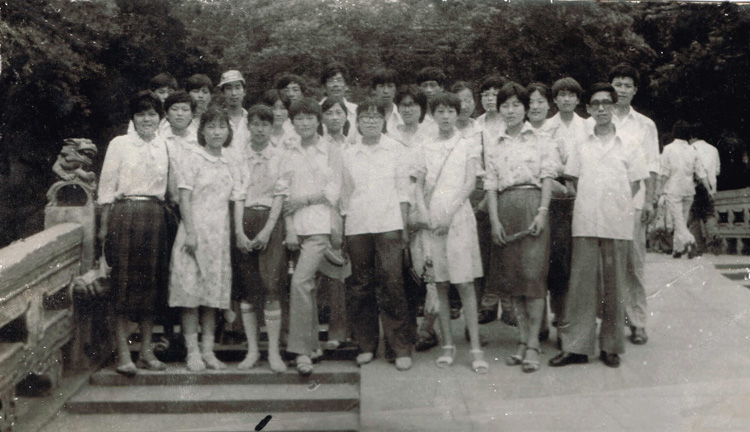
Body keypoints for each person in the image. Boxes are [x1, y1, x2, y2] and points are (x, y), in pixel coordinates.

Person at [549, 83, 649, 369]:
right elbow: (572, 180)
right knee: (581, 287)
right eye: (596, 104)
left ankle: (610, 347)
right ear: (589, 109)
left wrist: (617, 206)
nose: (602, 108)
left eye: (607, 103)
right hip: (585, 223)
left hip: (617, 224)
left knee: (614, 288)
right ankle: (577, 348)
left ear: (614, 107)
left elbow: (636, 182)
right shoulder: (582, 144)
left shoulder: (629, 143)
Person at [484, 82, 561, 373]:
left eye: (516, 105)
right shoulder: (495, 143)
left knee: (533, 276)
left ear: (526, 108)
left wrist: (542, 212)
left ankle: (533, 344)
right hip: (505, 208)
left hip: (532, 206)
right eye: (505, 105)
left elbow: (548, 178)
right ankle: (521, 340)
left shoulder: (542, 139)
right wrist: (494, 221)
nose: (511, 110)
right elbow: (491, 185)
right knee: (513, 279)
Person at [98, 91, 172, 376]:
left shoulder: (165, 145)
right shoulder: (120, 144)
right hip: (125, 215)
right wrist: (104, 229)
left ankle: (146, 352)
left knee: (151, 285)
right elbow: (107, 188)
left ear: (159, 118)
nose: (146, 119)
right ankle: (123, 353)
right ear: (132, 118)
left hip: (155, 215)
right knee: (123, 283)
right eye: (141, 114)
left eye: (152, 114)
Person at [412, 92, 486, 374]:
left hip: (458, 216)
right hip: (433, 218)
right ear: (433, 115)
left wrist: (449, 213)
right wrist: (425, 213)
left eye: (450, 111)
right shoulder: (424, 145)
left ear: (457, 114)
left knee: (464, 283)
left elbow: (469, 183)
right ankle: (447, 345)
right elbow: (418, 184)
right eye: (440, 111)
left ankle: (476, 348)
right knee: (440, 283)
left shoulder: (468, 143)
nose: (445, 116)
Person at [342, 99, 414, 371]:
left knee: (392, 282)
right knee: (361, 285)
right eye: (365, 117)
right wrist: (344, 228)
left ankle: (399, 347)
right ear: (357, 122)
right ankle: (366, 344)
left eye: (375, 117)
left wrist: (404, 228)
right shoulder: (349, 153)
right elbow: (345, 195)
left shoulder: (396, 149)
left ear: (384, 121)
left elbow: (404, 192)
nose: (370, 121)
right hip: (358, 225)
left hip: (389, 224)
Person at [276, 97, 343, 376]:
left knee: (301, 283)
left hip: (319, 228)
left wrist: (303, 200)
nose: (304, 123)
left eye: (309, 118)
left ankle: (301, 351)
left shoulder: (331, 150)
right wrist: (290, 227)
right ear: (292, 122)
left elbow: (333, 192)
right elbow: (282, 191)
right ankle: (313, 345)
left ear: (318, 120)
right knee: (305, 287)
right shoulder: (287, 150)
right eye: (299, 119)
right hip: (294, 228)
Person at [169, 106, 238, 371]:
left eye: (221, 127)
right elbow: (184, 198)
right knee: (190, 294)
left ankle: (208, 352)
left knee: (212, 296)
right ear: (202, 131)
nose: (216, 132)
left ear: (228, 131)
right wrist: (191, 232)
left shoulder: (230, 160)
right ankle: (193, 352)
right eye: (211, 127)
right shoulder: (193, 157)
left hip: (218, 236)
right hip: (194, 233)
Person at [232, 105, 288, 373]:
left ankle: (273, 351)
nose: (260, 129)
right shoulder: (239, 156)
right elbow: (237, 195)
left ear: (272, 126)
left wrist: (267, 230)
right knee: (248, 288)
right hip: (245, 219)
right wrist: (239, 232)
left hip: (271, 223)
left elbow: (280, 196)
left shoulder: (280, 155)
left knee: (271, 285)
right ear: (248, 126)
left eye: (265, 124)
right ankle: (253, 350)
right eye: (255, 124)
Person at [609, 63, 659, 346]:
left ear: (635, 90)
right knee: (605, 265)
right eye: (617, 84)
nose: (622, 90)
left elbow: (652, 166)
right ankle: (611, 322)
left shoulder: (645, 125)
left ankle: (637, 322)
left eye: (627, 85)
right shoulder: (598, 119)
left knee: (634, 264)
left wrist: (650, 200)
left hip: (635, 202)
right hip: (602, 202)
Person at [544, 77, 588, 333]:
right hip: (557, 192)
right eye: (561, 95)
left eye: (571, 95)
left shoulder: (587, 126)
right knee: (557, 253)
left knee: (579, 254)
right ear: (555, 99)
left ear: (578, 99)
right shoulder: (548, 126)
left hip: (584, 191)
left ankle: (576, 312)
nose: (566, 99)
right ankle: (558, 312)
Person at [475, 75, 508, 325]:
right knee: (485, 249)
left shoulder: (512, 122)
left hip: (508, 189)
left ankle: (508, 304)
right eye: (485, 94)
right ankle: (487, 303)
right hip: (483, 189)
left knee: (507, 249)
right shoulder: (477, 125)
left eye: (495, 94)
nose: (490, 99)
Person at [657, 121, 711, 258]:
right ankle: (678, 249)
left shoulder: (668, 149)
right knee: (682, 219)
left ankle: (690, 241)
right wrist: (709, 189)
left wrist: (659, 189)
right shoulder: (693, 150)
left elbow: (665, 172)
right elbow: (701, 173)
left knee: (678, 220)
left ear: (674, 132)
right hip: (689, 190)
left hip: (673, 189)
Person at [689, 125, 722, 254]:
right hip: (711, 187)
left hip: (695, 186)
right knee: (709, 215)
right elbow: (717, 171)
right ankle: (714, 238)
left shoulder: (690, 149)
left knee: (694, 218)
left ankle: (698, 246)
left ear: (692, 136)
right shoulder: (713, 149)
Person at [218, 69, 249, 164]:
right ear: (222, 93)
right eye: (229, 88)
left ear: (244, 91)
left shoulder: (252, 119)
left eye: (238, 87)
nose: (234, 93)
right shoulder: (216, 121)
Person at [320, 62, 358, 130]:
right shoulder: (315, 110)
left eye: (339, 80)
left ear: (346, 86)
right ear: (324, 87)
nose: (336, 85)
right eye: (331, 81)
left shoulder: (356, 111)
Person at [415, 66, 447, 131]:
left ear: (441, 87)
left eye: (433, 85)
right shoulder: (414, 114)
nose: (428, 90)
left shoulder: (449, 114)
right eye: (424, 86)